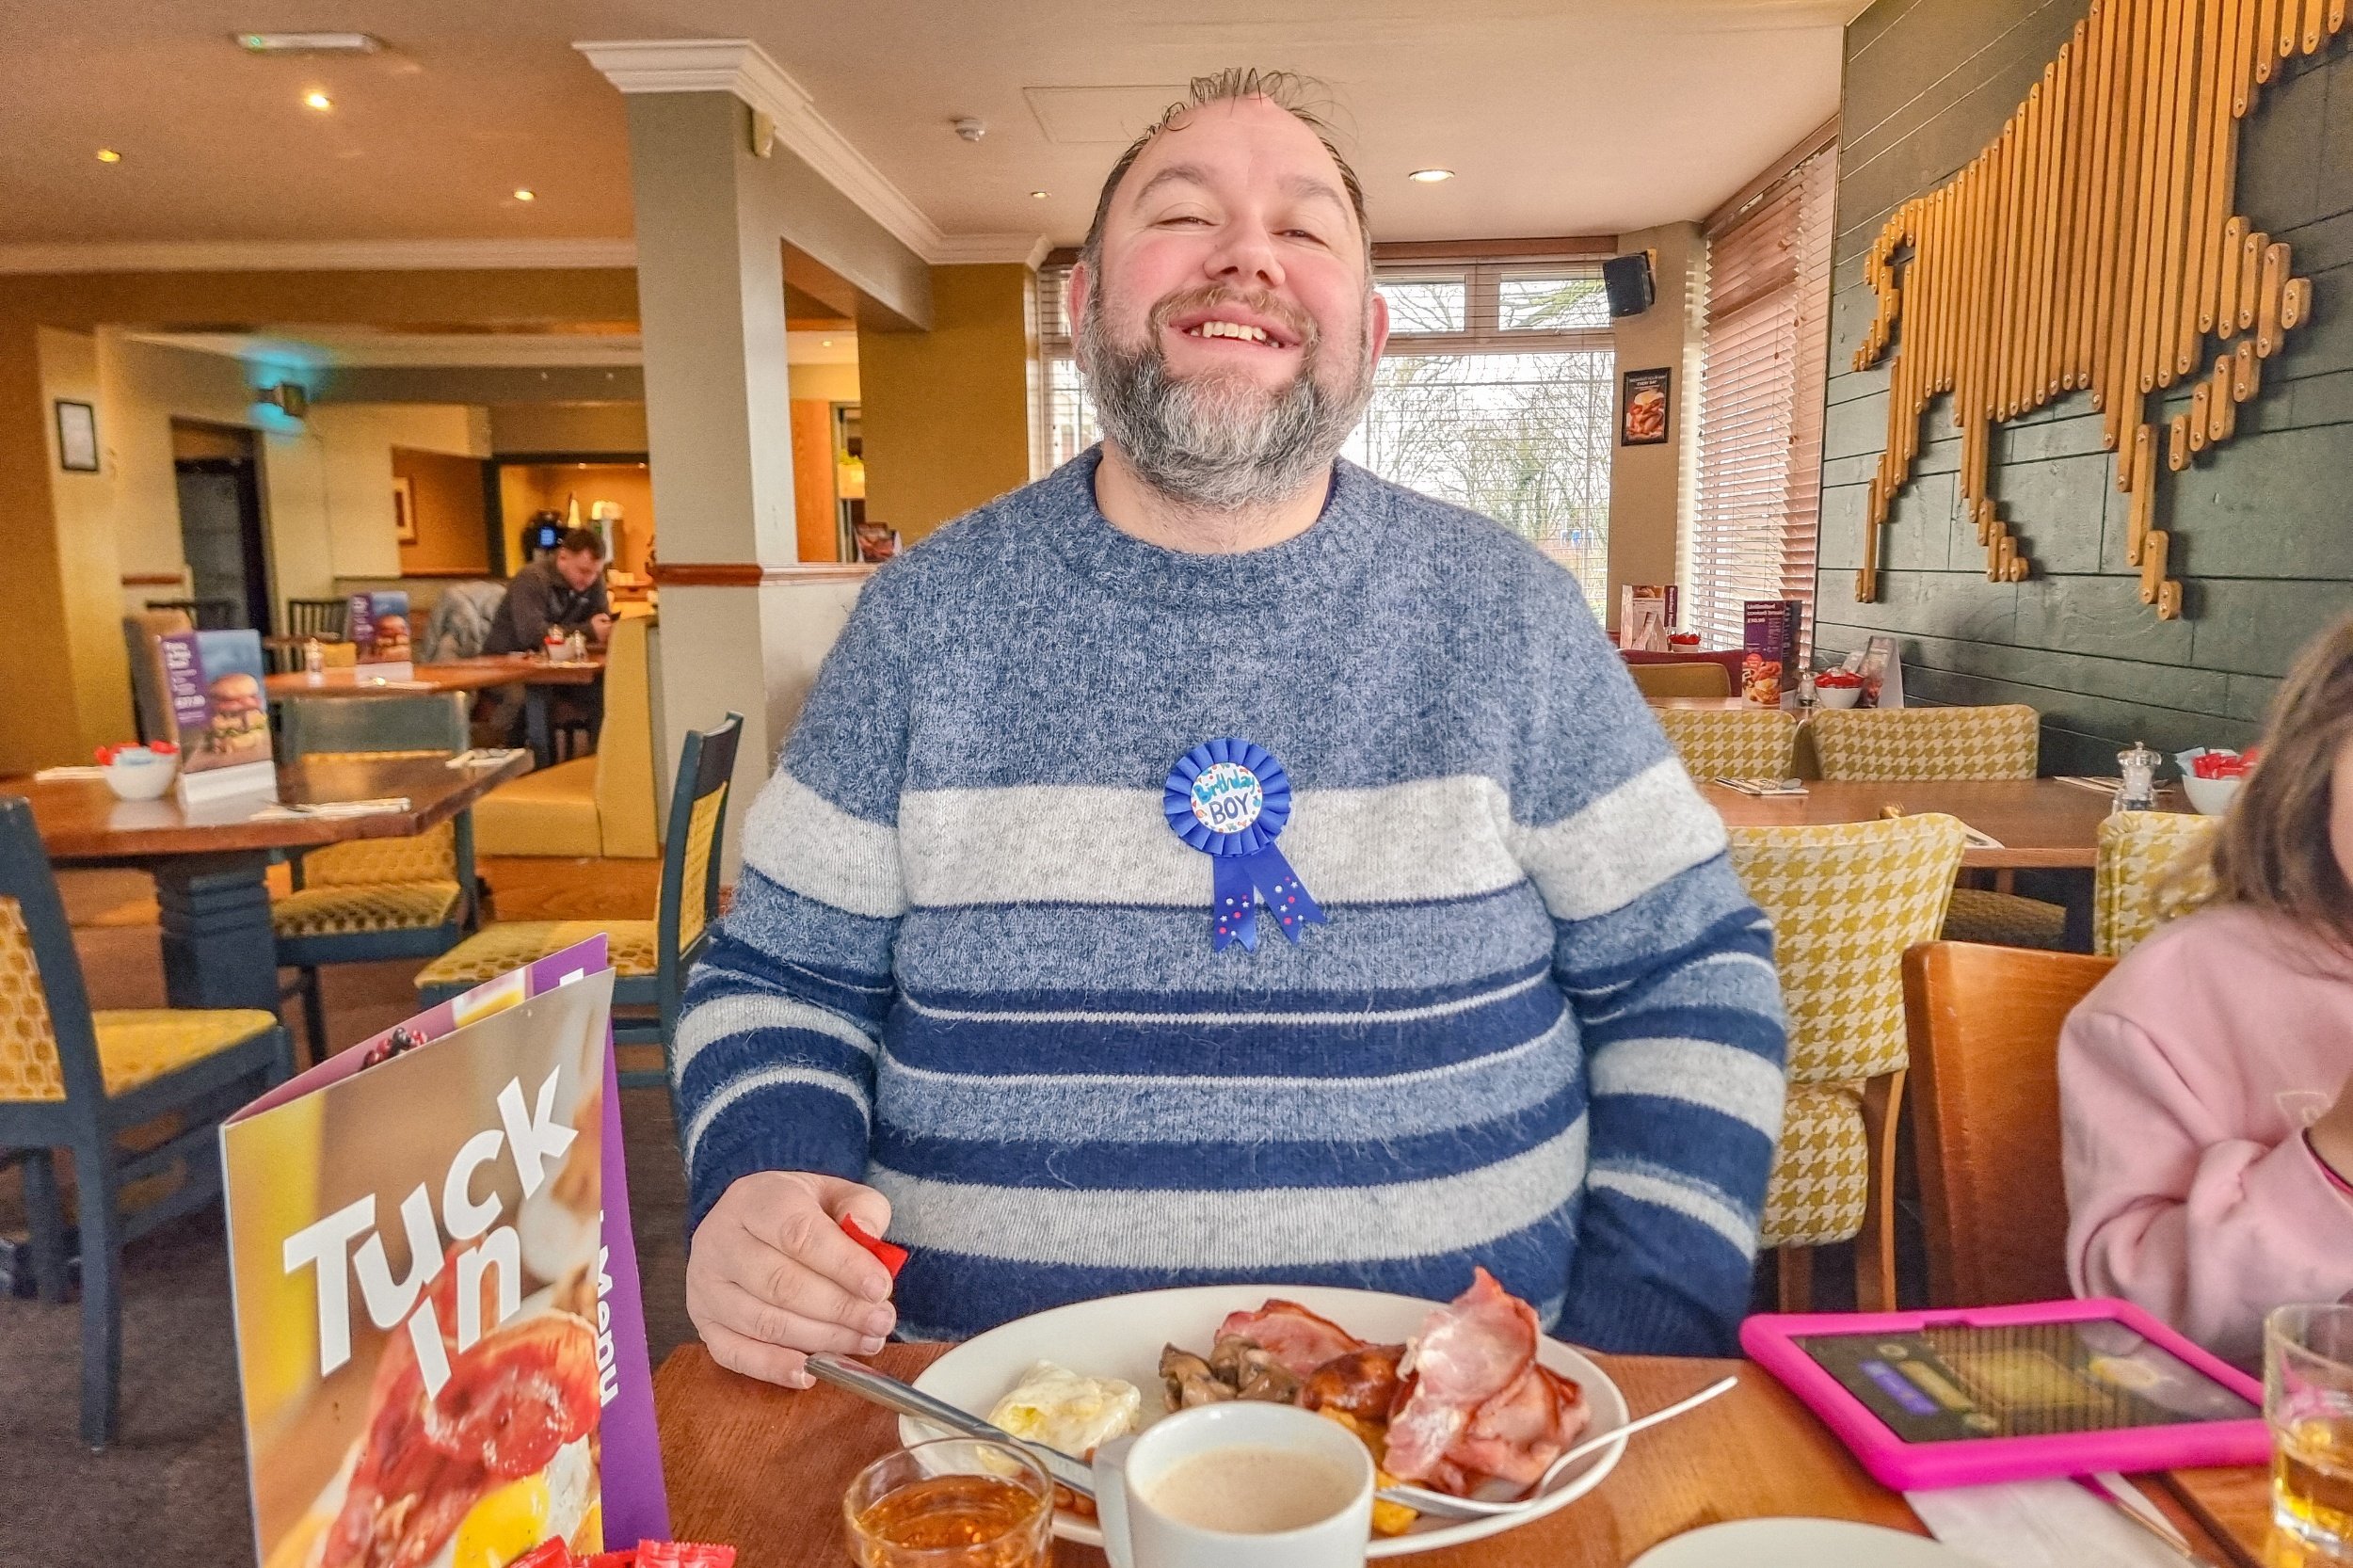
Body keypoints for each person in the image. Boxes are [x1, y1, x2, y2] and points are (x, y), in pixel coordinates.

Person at [673, 69, 1788, 1388]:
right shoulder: (921, 619)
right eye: (1183, 214)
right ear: (1084, 305)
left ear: (1370, 334)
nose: (1248, 255)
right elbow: (783, 976)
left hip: (1454, 1456)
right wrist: (762, 1185)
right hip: (988, 1433)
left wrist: (1637, 1344)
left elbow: (1688, 971)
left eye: (1303, 229)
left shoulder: (1514, 617)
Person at [2064, 615, 2353, 1366]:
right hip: (2267, 1429)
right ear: (2317, 767)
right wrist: (2340, 1150)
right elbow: (2133, 1329)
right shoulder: (2177, 999)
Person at [481, 528, 613, 655]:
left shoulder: (595, 581)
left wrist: (604, 630)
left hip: (558, 661)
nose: (590, 579)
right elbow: (532, 635)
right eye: (583, 571)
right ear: (563, 557)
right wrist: (588, 631)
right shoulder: (532, 578)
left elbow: (603, 625)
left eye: (596, 573)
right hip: (505, 660)